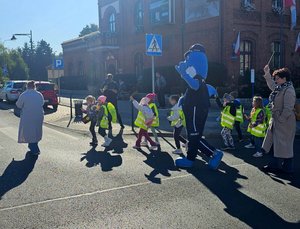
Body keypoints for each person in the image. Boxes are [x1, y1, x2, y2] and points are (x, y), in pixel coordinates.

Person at [174, 44, 224, 169]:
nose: (185, 62)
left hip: (195, 109)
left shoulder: (197, 78)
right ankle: (192, 157)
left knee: (194, 135)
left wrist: (183, 74)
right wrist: (182, 100)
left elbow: (195, 86)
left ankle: (214, 153)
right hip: (194, 108)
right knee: (193, 135)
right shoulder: (200, 78)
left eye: (187, 59)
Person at [261, 65, 296, 173]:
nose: (275, 81)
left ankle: (285, 168)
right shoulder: (280, 87)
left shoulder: (289, 90)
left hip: (285, 122)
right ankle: (274, 166)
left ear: (284, 78)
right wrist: (267, 73)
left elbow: (288, 108)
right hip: (278, 120)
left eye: (277, 78)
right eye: (275, 78)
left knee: (285, 146)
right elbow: (271, 84)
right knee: (275, 145)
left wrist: (280, 119)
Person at [16, 81, 44, 155]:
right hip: (39, 116)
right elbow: (42, 103)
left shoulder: (24, 94)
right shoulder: (39, 94)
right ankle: (33, 146)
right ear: (34, 86)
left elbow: (18, 105)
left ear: (27, 86)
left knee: (29, 132)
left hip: (28, 116)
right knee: (36, 131)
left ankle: (34, 149)